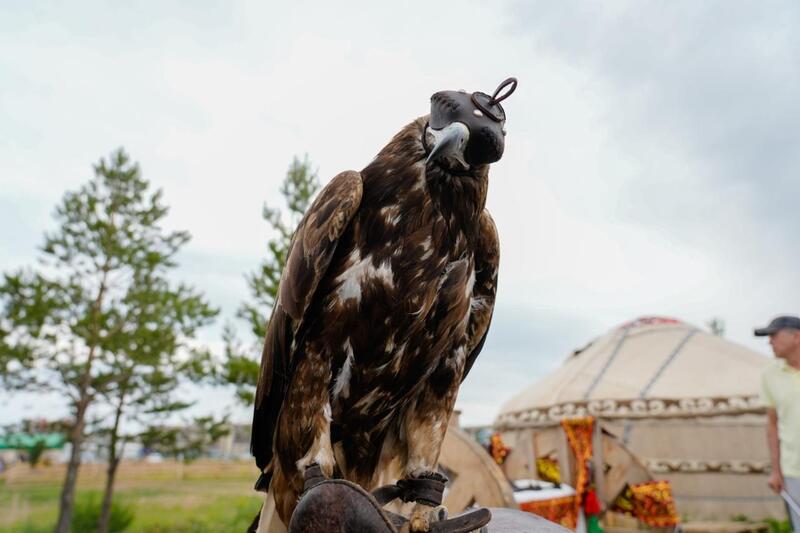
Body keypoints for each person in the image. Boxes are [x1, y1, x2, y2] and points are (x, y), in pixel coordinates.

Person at [755, 315, 800, 531]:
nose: (769, 341)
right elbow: (771, 424)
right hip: (794, 471)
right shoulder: (769, 375)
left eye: (773, 335)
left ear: (797, 336)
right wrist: (776, 470)